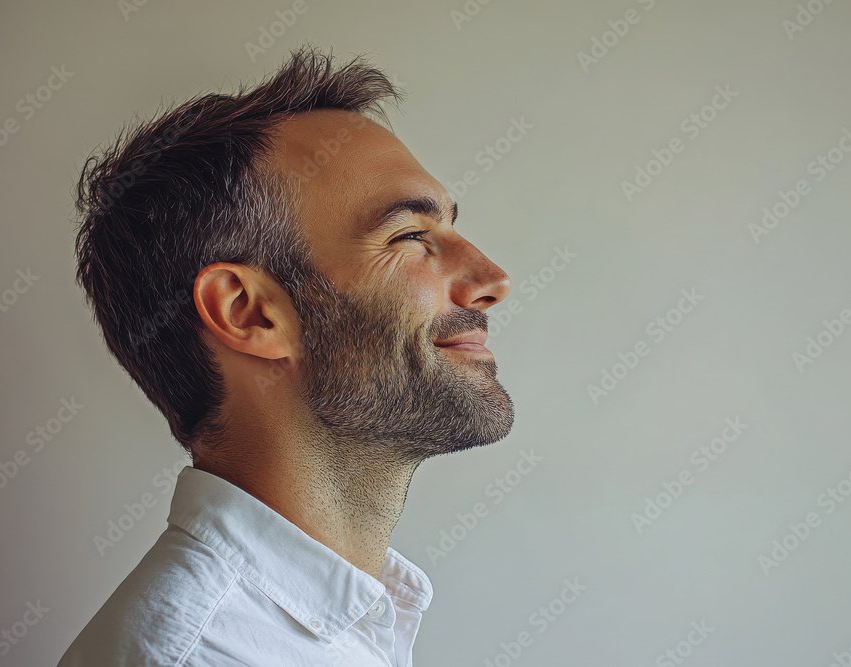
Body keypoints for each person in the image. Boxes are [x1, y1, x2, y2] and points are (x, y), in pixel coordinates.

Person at [59, 45, 515, 666]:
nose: (492, 278)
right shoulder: (203, 655)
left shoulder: (339, 628)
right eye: (410, 236)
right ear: (248, 313)